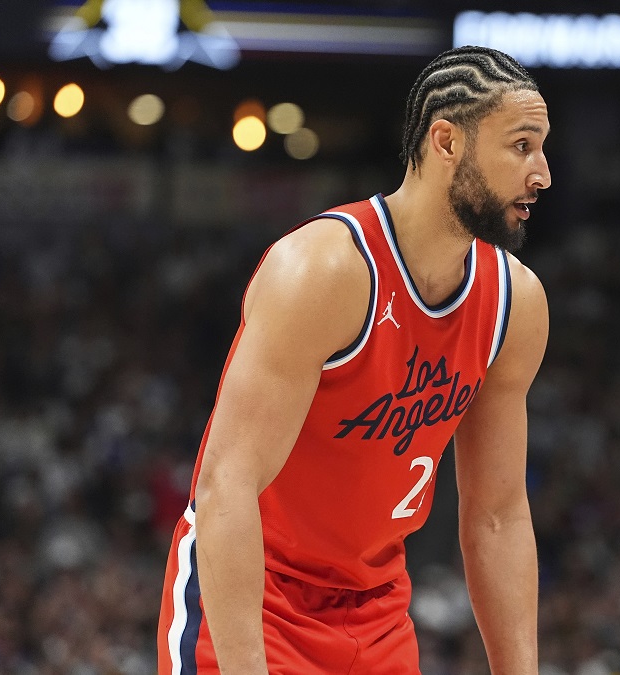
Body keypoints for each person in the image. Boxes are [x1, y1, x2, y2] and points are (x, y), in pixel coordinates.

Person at [158, 45, 552, 674]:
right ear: (447, 142)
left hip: (378, 607)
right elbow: (224, 485)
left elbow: (498, 516)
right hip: (257, 592)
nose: (543, 174)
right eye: (522, 146)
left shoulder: (515, 303)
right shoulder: (323, 270)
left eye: (542, 148)